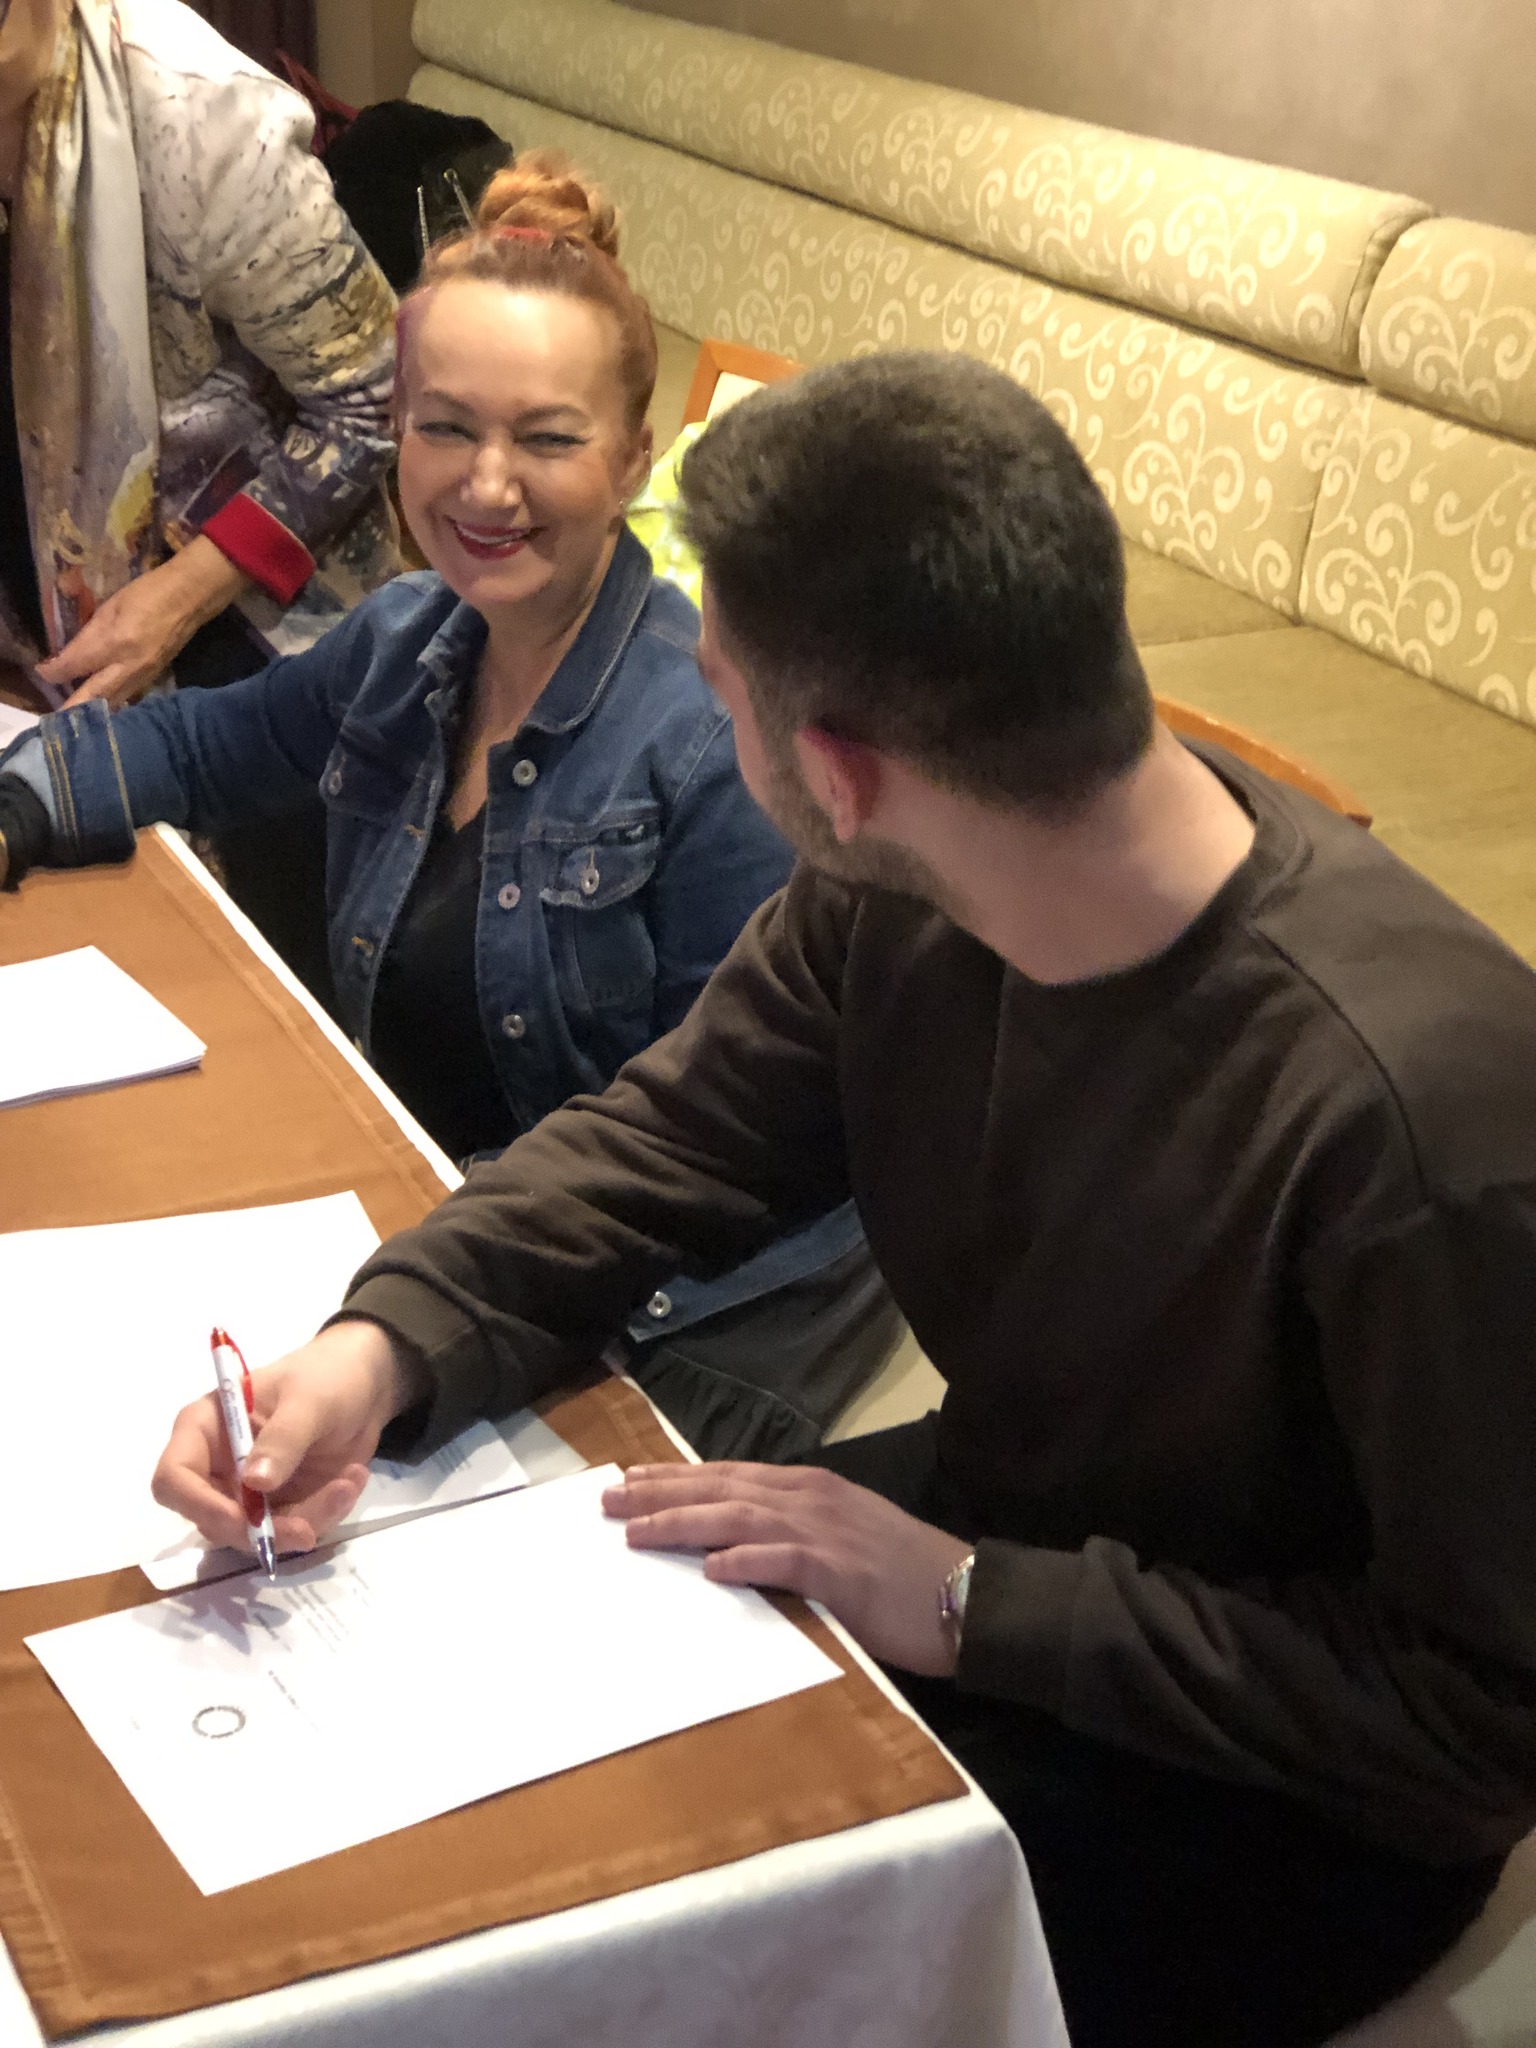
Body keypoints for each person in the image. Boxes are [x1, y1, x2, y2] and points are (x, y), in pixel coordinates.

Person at [142, 349, 1536, 2046]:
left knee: (601, 1966)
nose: (704, 726)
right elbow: (666, 1143)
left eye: (717, 691)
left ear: (842, 769)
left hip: (1285, 1787)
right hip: (1014, 1544)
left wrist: (969, 1601)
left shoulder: (1419, 1122)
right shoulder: (904, 886)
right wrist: (379, 1348)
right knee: (438, 1804)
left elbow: (1479, 1717)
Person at [0, 154, 898, 1462]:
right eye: (446, 427)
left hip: (680, 1314)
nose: (485, 484)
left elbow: (720, 1163)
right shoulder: (404, 637)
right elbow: (190, 750)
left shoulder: (716, 751)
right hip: (448, 1245)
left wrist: (437, 1323)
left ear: (635, 460)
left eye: (548, 438)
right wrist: (20, 806)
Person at [0, 0, 401, 990]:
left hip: (243, 641)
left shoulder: (201, 121)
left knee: (211, 992)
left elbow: (380, 394)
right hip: (31, 643)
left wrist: (172, 604)